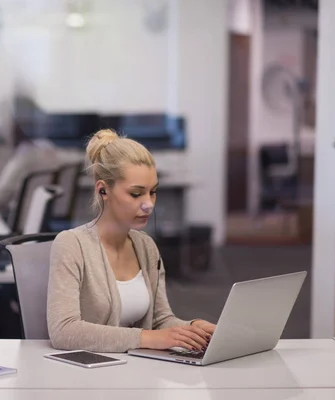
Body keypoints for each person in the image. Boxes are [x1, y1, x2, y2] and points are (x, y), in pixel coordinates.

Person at [47, 129, 216, 353]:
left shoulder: (146, 247)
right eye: (136, 194)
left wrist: (193, 328)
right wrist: (146, 338)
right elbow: (64, 331)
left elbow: (160, 322)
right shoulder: (71, 244)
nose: (149, 204)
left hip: (137, 372)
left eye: (152, 192)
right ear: (103, 190)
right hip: (88, 378)